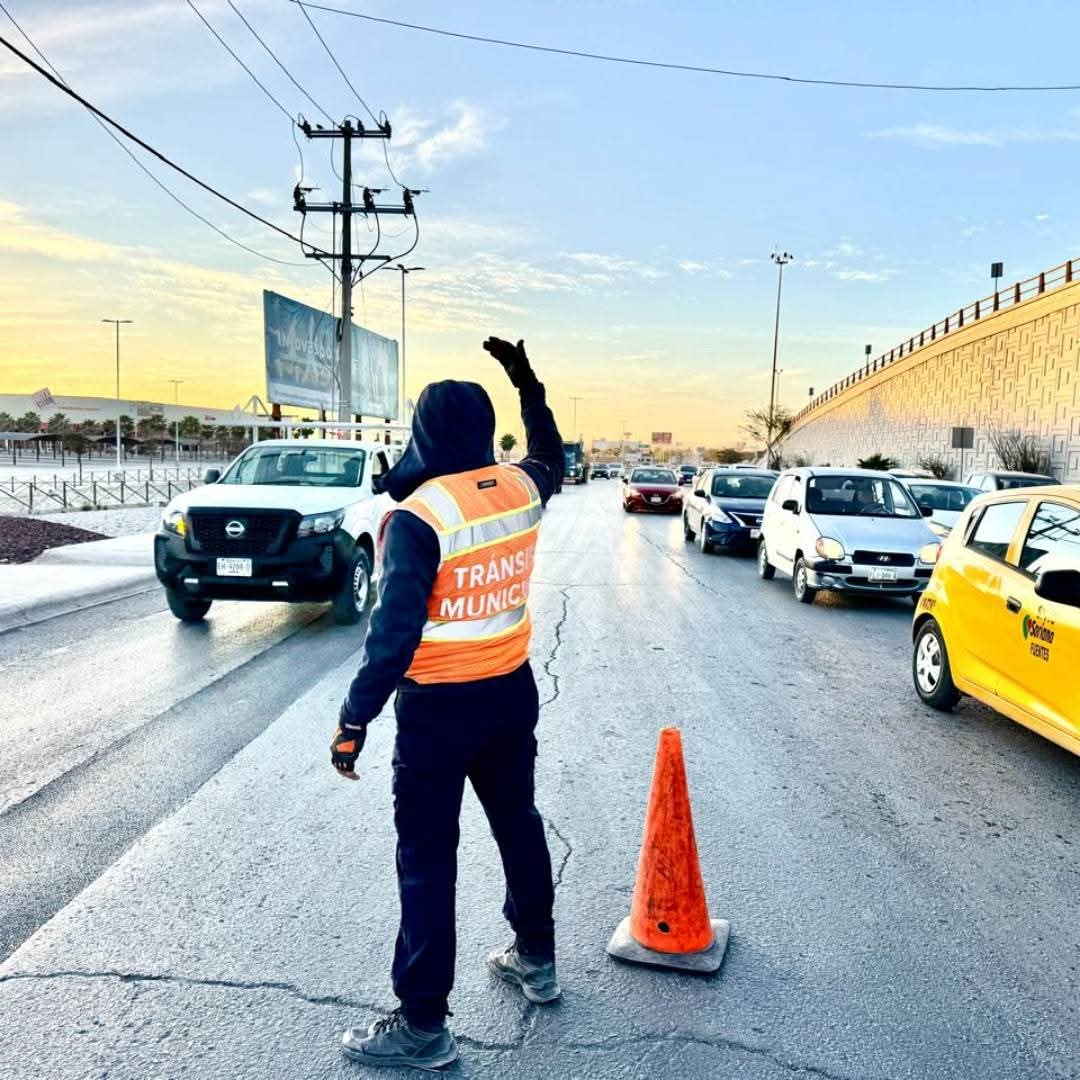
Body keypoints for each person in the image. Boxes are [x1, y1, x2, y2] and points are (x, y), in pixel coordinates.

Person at [330, 338, 565, 1070]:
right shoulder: (520, 488)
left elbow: (393, 634)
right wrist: (527, 379)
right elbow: (549, 451)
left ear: (424, 434)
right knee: (517, 823)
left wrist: (353, 719)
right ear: (482, 430)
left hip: (437, 711)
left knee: (428, 860)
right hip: (509, 694)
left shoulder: (419, 517)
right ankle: (536, 959)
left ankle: (423, 1026)